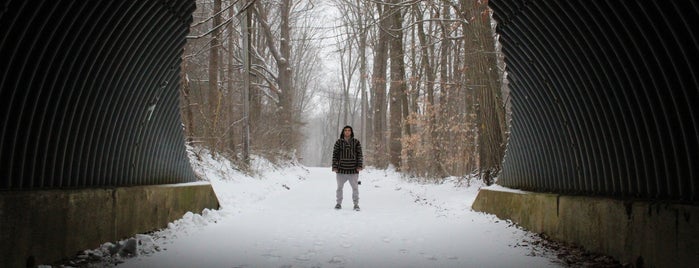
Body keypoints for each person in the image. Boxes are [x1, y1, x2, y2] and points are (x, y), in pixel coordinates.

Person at [332, 125, 363, 210]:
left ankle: (356, 204)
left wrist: (359, 166)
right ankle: (338, 203)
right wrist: (335, 166)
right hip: (341, 170)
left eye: (349, 130)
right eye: (345, 130)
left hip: (353, 170)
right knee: (339, 188)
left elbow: (360, 154)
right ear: (343, 132)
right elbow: (335, 155)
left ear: (351, 132)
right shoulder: (338, 142)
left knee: (355, 188)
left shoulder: (356, 142)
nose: (347, 132)